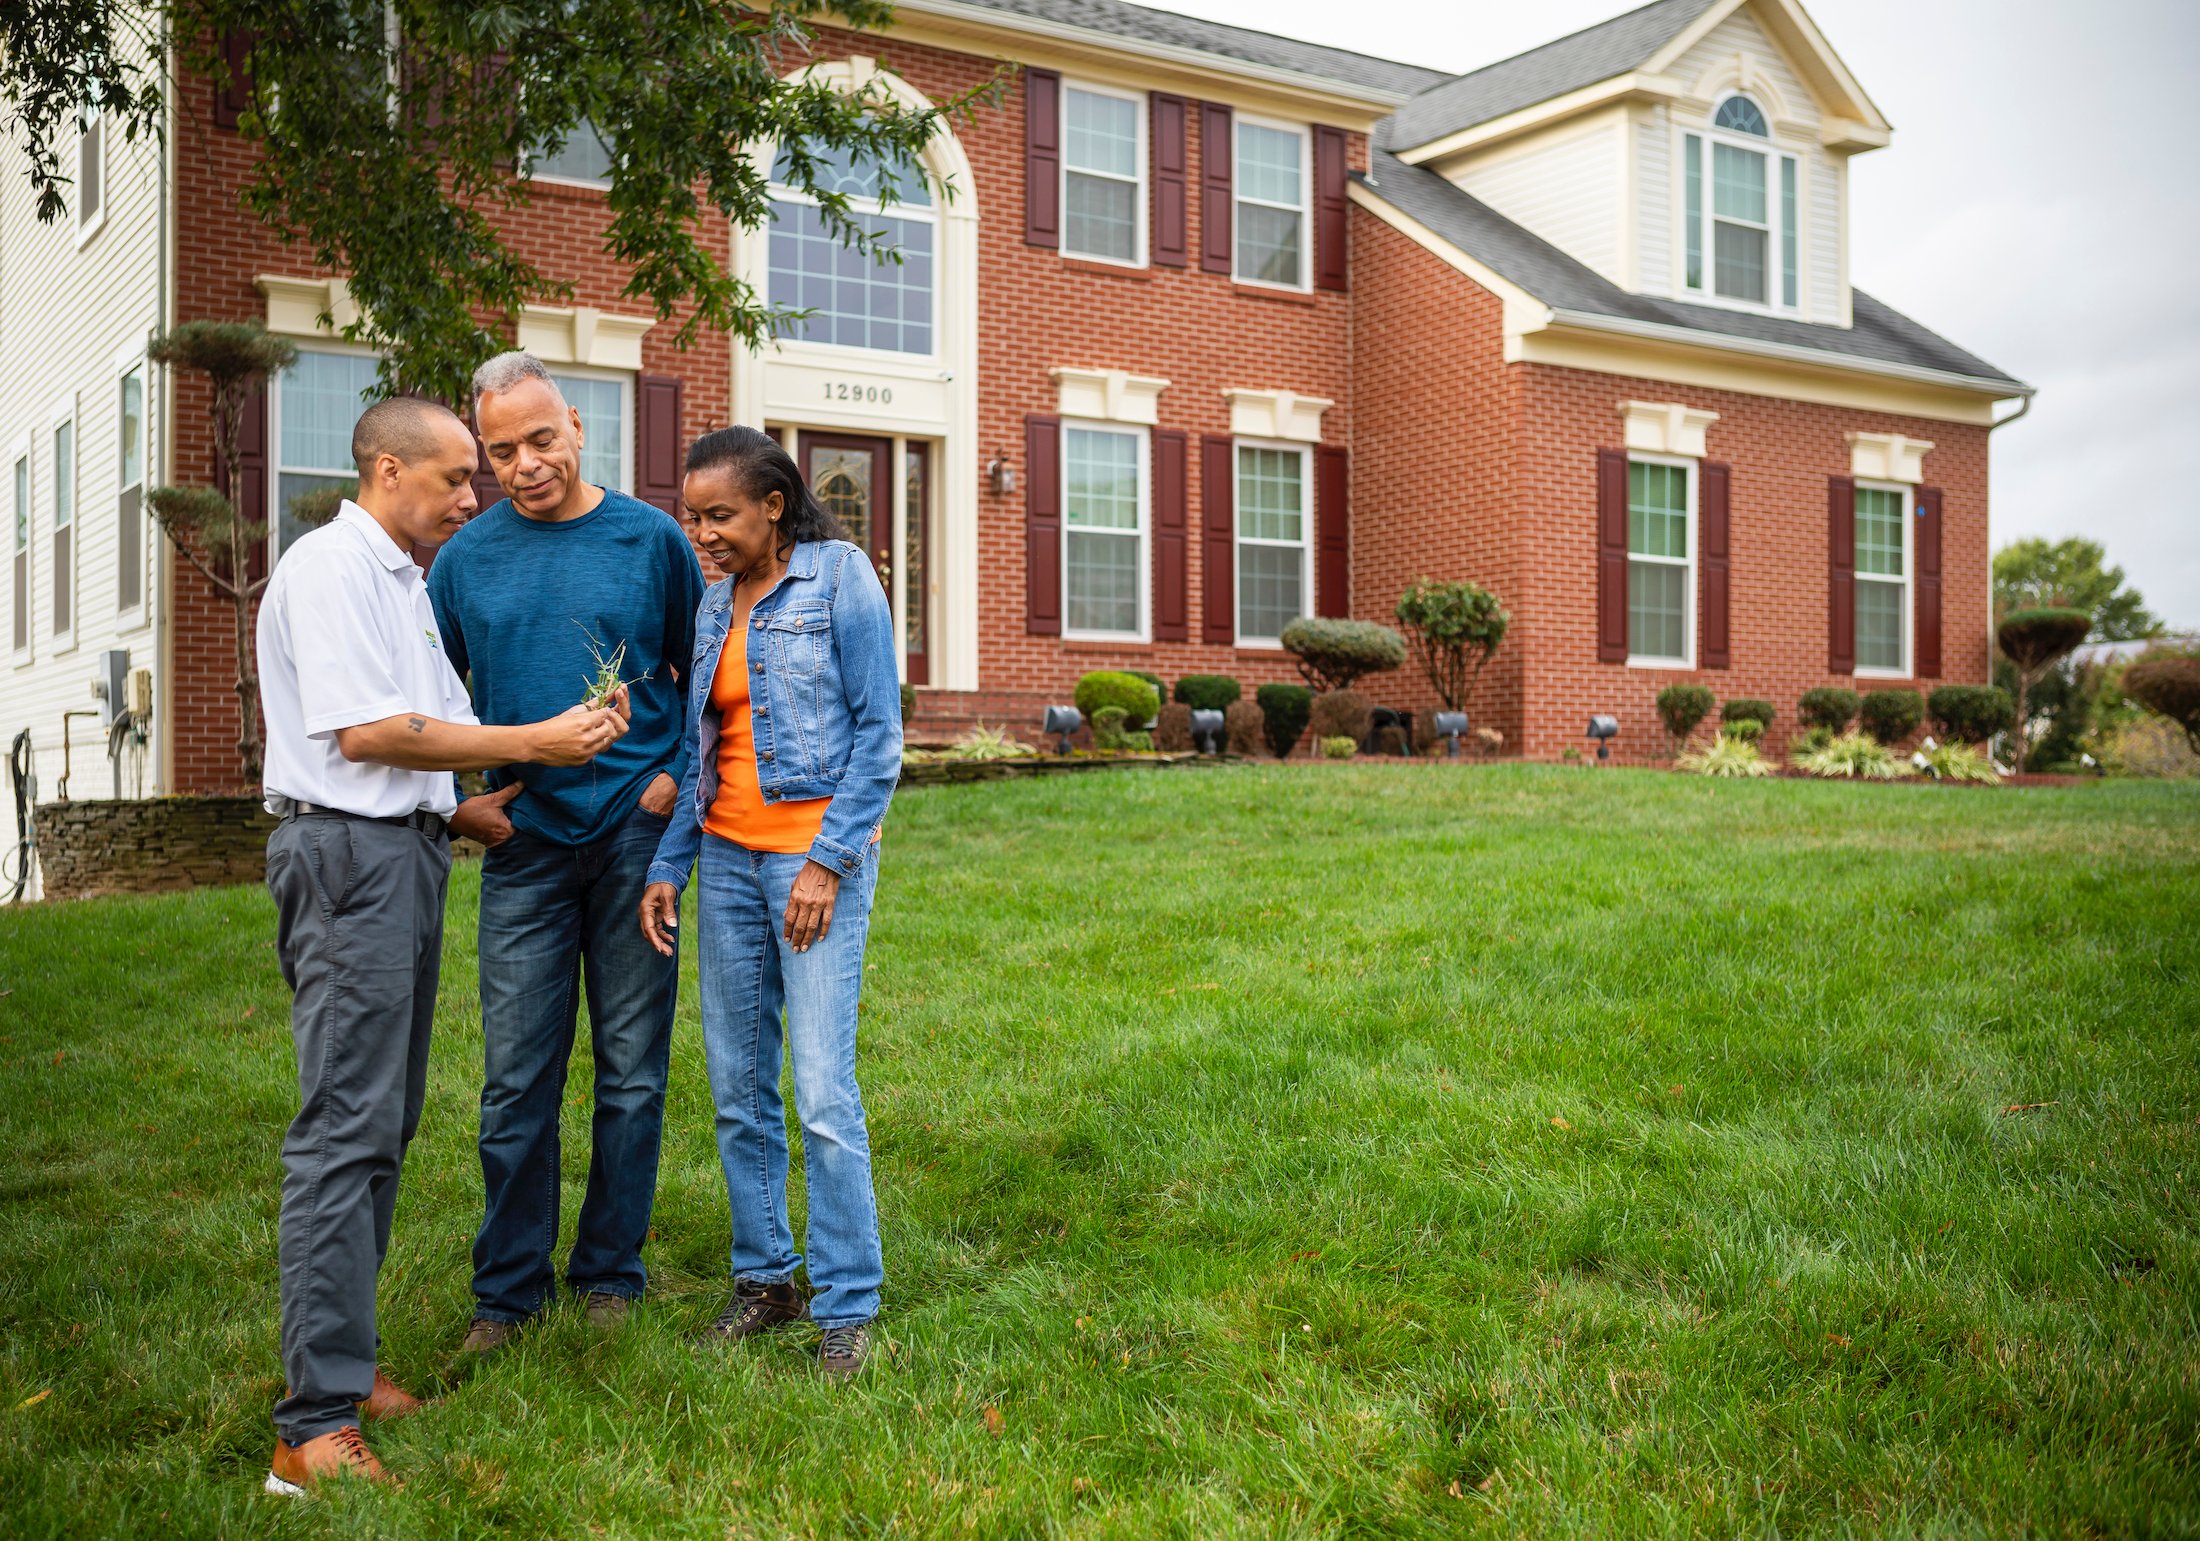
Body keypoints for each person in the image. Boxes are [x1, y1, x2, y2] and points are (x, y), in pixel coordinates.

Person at [257, 397, 628, 1494]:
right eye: (456, 475)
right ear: (385, 470)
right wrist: (535, 740)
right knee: (344, 1129)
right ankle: (310, 1429)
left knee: (383, 1121)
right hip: (348, 863)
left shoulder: (401, 579)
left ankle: (345, 1361)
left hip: (401, 852)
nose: (474, 494)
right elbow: (362, 731)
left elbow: (397, 738)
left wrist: (449, 808)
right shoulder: (329, 570)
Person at [429, 352, 705, 1353]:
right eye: (500, 450)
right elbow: (425, 701)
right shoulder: (464, 560)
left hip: (637, 835)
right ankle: (505, 1295)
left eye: (540, 440)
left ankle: (608, 1275)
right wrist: (459, 803)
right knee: (516, 1080)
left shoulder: (651, 539)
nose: (524, 464)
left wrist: (675, 775)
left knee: (632, 1070)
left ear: (578, 426)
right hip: (526, 845)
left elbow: (700, 672)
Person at [638, 426, 900, 1379]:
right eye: (692, 515)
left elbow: (881, 732)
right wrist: (671, 862)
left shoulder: (839, 578)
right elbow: (697, 751)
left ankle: (848, 1301)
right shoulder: (714, 604)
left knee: (824, 1091)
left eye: (719, 516)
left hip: (810, 863)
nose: (700, 532)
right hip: (729, 858)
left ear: (773, 507)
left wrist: (829, 862)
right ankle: (766, 1281)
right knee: (738, 1088)